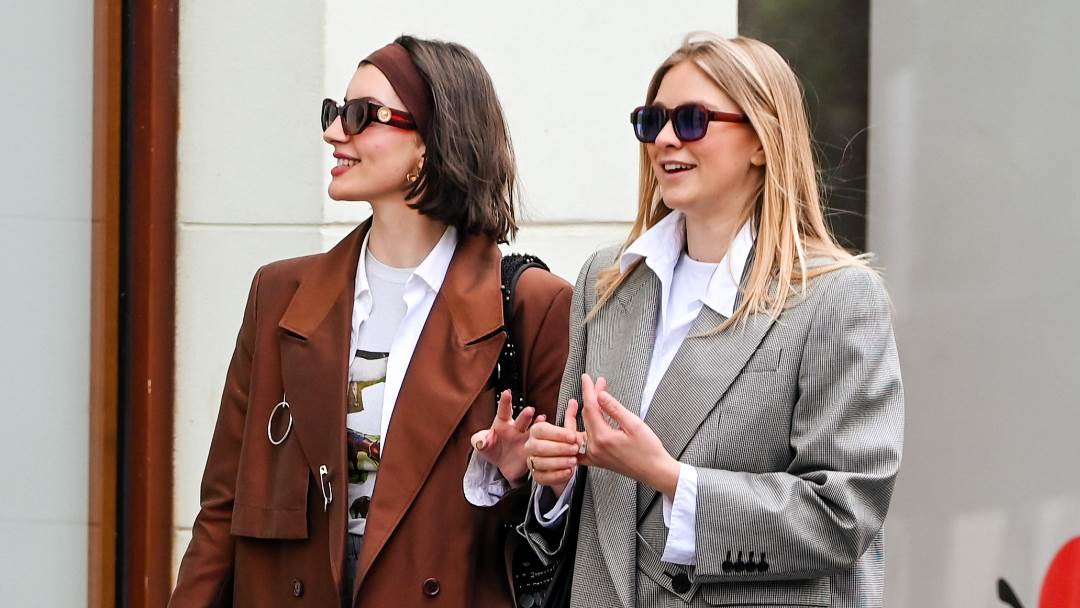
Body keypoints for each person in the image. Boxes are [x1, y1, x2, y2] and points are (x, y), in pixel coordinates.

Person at [170, 35, 572, 608]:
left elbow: (570, 520)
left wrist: (517, 478)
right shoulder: (279, 295)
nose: (335, 132)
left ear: (430, 142)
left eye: (362, 115)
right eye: (335, 112)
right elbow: (222, 510)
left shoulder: (533, 305)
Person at [521, 33, 904, 608]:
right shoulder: (608, 280)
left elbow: (845, 516)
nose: (665, 139)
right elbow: (599, 511)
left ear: (762, 141)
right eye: (653, 121)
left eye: (692, 120)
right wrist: (555, 479)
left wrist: (670, 477)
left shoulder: (836, 297)